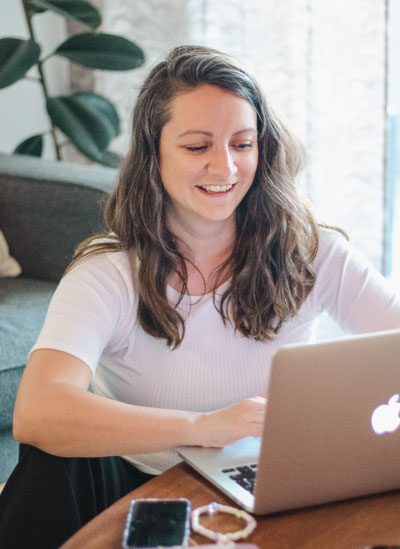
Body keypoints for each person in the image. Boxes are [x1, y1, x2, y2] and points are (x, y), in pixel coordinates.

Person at [1, 44, 399, 548]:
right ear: (153, 155)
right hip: (138, 480)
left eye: (242, 143)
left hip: (273, 479)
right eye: (197, 147)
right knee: (51, 458)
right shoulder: (108, 271)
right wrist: (203, 427)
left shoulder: (314, 251)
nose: (225, 167)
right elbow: (37, 412)